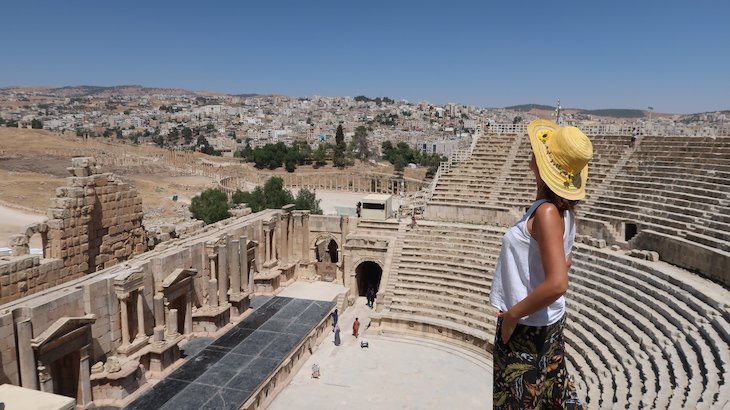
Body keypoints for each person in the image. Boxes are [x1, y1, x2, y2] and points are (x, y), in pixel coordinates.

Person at [489, 119, 591, 409]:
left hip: (527, 327)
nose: (533, 151)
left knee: (517, 401)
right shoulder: (562, 210)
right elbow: (565, 260)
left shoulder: (547, 212)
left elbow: (558, 282)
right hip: (547, 324)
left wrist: (512, 316)